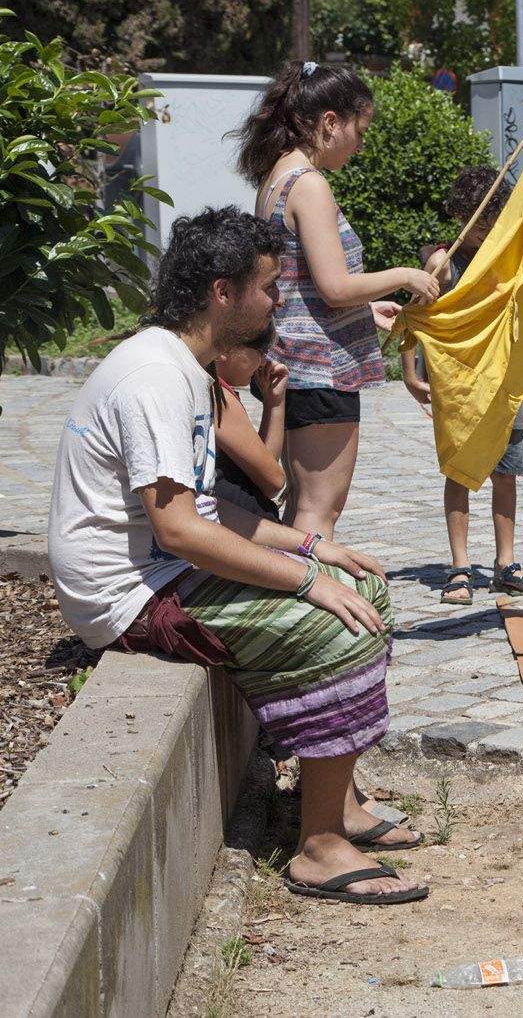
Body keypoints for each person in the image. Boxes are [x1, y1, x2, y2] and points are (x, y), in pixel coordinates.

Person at [47, 208, 426, 904]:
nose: (278, 301)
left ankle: (332, 807)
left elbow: (209, 511)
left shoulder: (185, 367)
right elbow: (182, 531)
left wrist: (311, 546)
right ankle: (316, 848)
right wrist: (305, 580)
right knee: (335, 623)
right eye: (269, 287)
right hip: (131, 595)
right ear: (223, 293)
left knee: (357, 588)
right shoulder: (155, 378)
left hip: (164, 568)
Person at [234, 60, 440, 542]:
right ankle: (315, 609)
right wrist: (405, 276)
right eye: (359, 130)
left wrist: (364, 311)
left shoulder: (277, 178)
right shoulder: (309, 185)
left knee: (300, 508)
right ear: (330, 122)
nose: (360, 144)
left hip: (291, 364)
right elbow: (334, 286)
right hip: (319, 372)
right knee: (317, 513)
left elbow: (298, 285)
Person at [403, 166, 523, 605]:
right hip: (460, 387)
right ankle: (460, 566)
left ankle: (506, 564)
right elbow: (416, 319)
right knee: (459, 471)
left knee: (507, 473)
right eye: (477, 214)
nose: (486, 224)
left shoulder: (510, 258)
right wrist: (411, 373)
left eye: (493, 213)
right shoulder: (444, 264)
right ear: (462, 213)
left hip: (505, 382)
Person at [211, 321, 288, 523]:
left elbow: (263, 466)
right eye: (261, 351)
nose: (264, 362)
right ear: (224, 349)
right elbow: (273, 482)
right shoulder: (217, 395)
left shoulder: (221, 391)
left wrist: (274, 402)